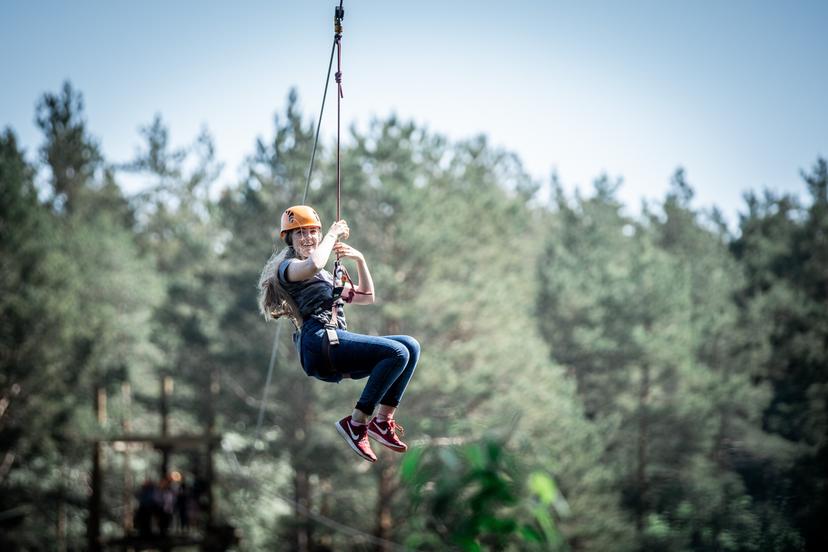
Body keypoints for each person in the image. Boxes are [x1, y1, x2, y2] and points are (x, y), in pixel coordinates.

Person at [258, 205, 420, 463]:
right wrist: (332, 234)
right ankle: (357, 423)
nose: (308, 237)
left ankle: (382, 421)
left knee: (410, 346)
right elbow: (314, 264)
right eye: (300, 233)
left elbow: (367, 296)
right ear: (289, 239)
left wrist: (360, 260)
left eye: (313, 232)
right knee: (397, 353)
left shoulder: (324, 275)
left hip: (332, 342)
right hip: (318, 342)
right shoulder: (288, 268)